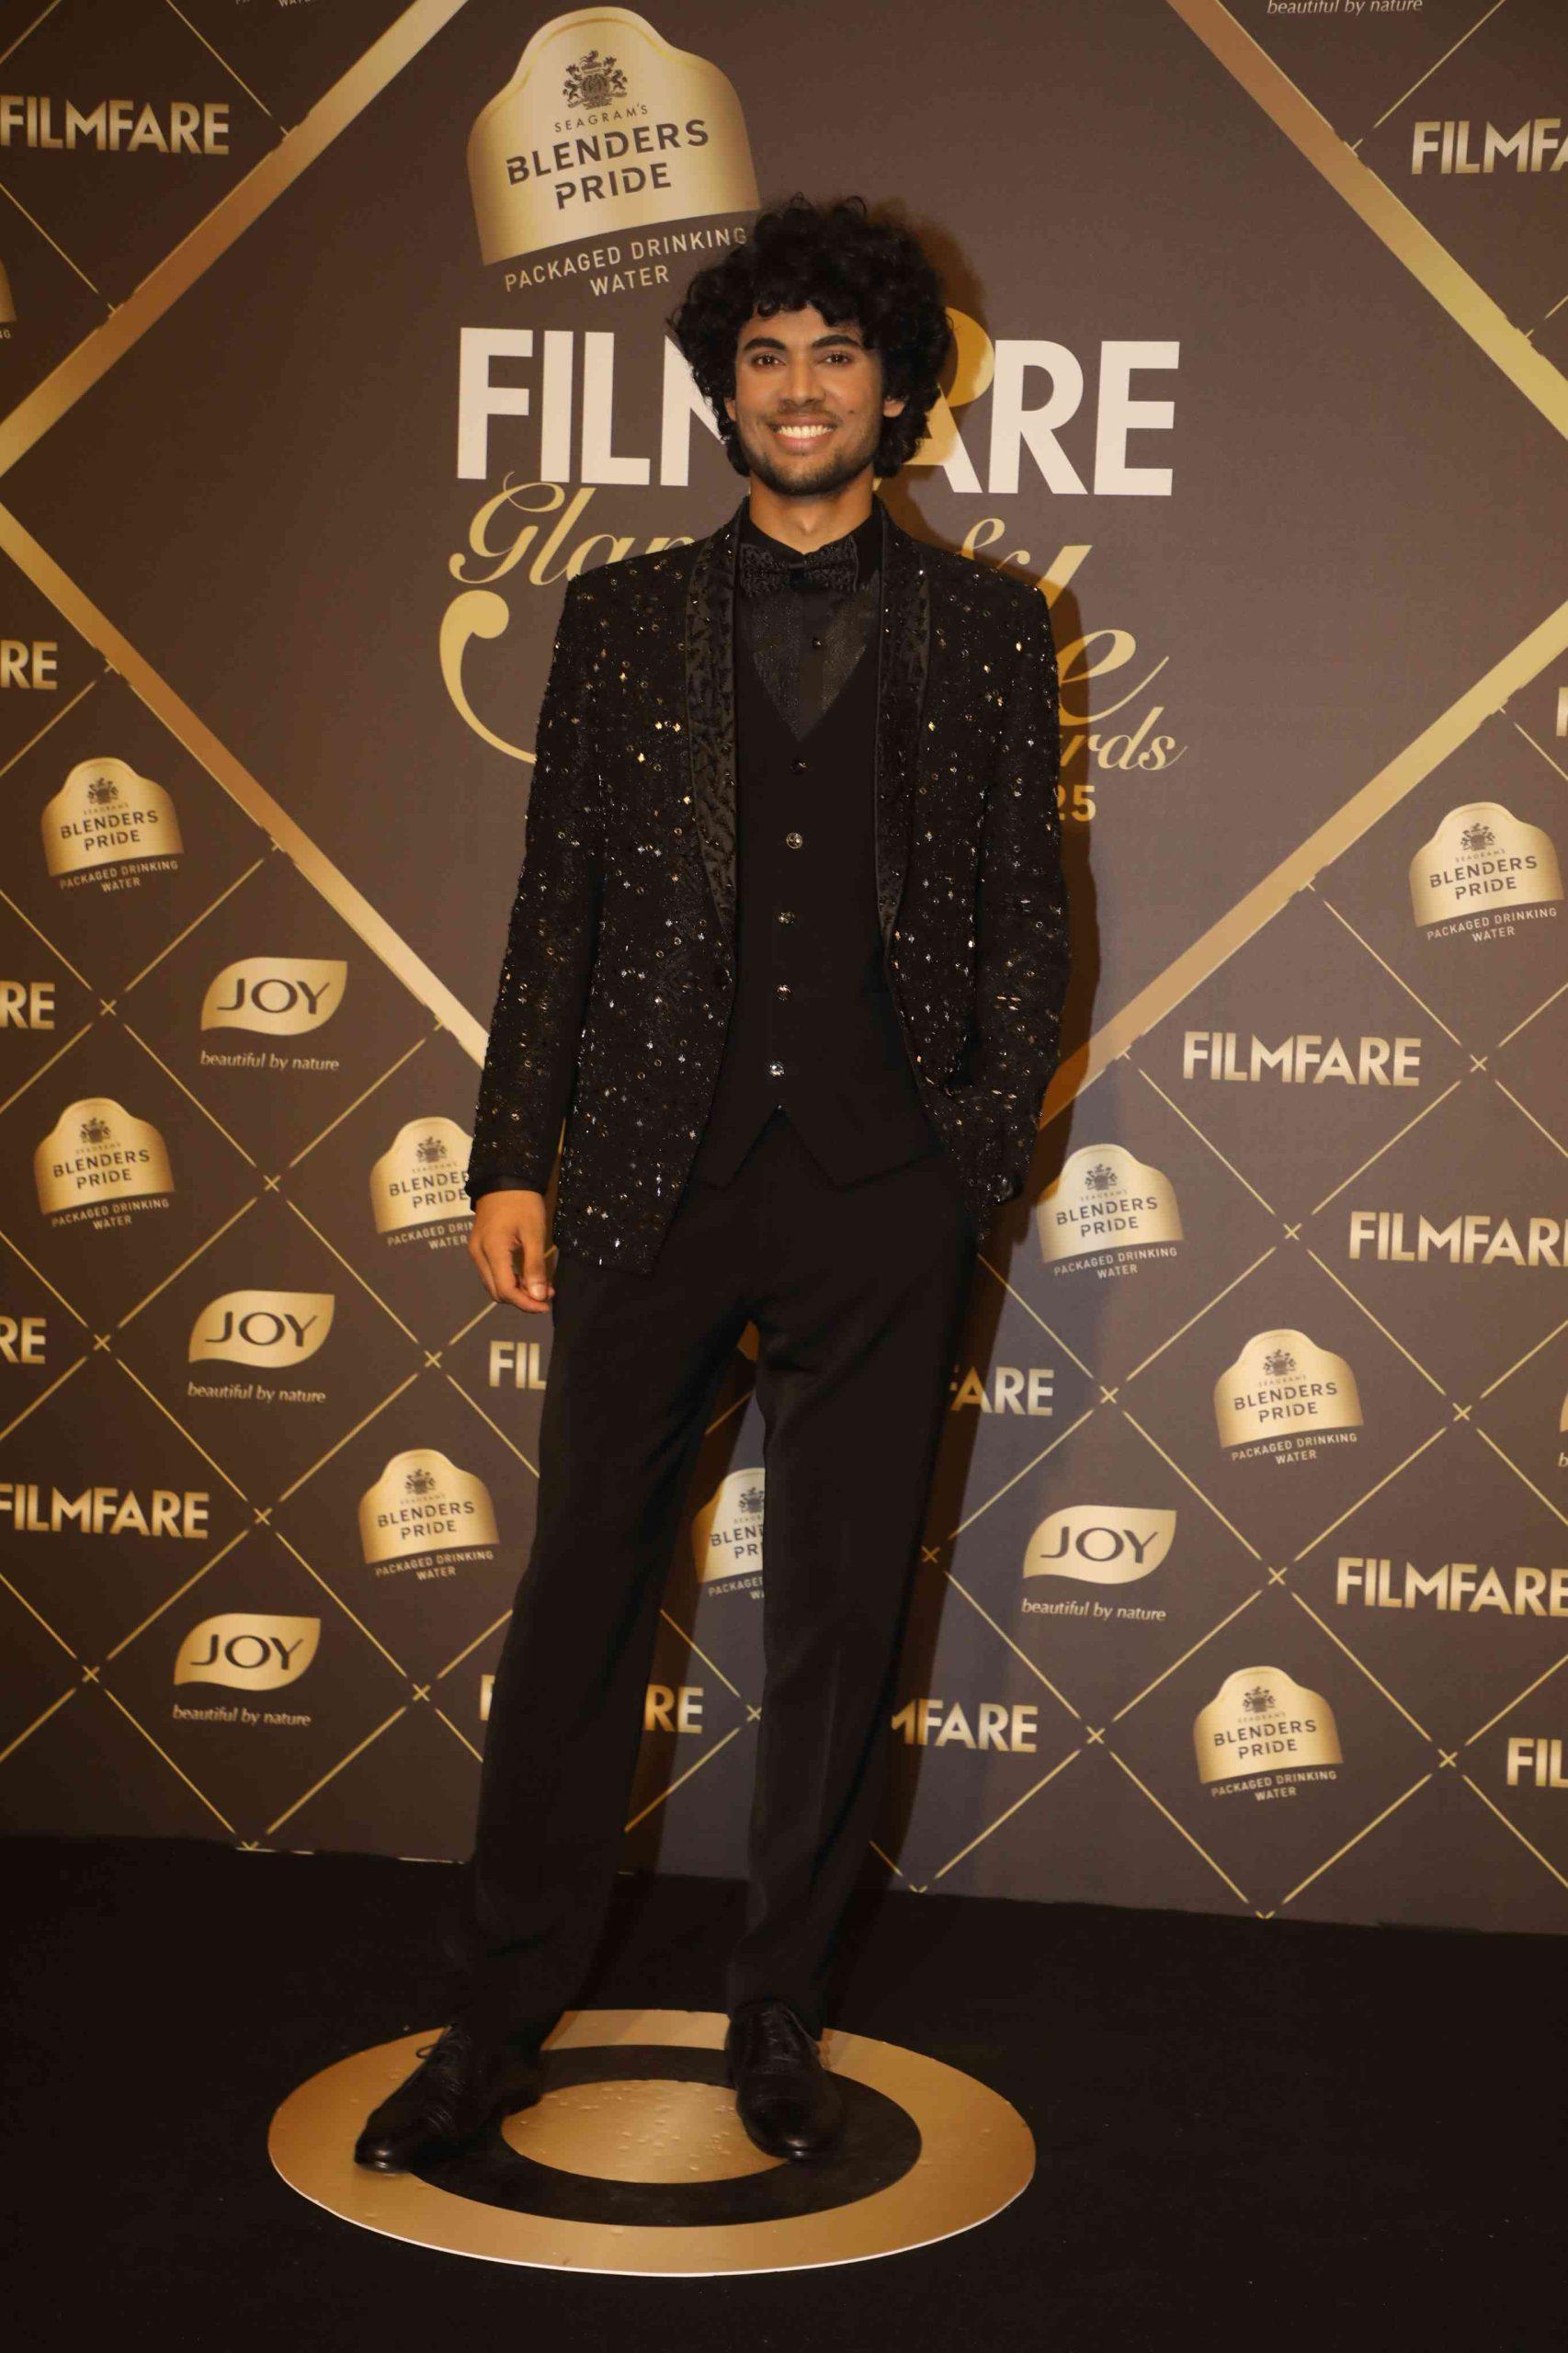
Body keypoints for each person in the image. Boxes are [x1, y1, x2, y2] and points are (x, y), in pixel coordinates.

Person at [354, 193, 1069, 2173]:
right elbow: (555, 911)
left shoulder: (989, 629)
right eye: (764, 354)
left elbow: (1030, 921)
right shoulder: (621, 619)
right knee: (578, 1596)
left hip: (880, 1194)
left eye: (836, 351)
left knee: (836, 1621)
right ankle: (493, 2018)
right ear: (721, 393)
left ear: (896, 390)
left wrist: (965, 1167)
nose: (799, 385)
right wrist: (515, 1154)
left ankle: (778, 2013)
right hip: (644, 1185)